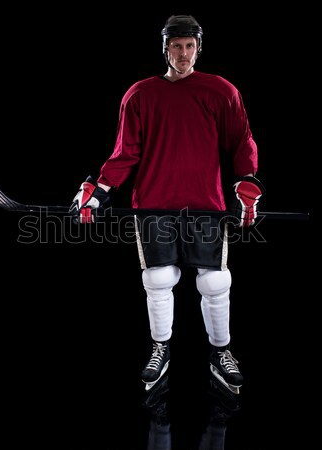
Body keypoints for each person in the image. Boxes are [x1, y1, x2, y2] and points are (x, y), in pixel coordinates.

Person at [70, 15, 264, 394]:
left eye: (190, 46)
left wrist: (247, 183)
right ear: (166, 48)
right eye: (177, 45)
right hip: (154, 204)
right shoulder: (140, 94)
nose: (184, 53)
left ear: (199, 48)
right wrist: (98, 190)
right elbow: (126, 153)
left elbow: (242, 141)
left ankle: (220, 354)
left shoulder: (220, 91)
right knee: (157, 280)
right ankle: (161, 349)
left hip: (205, 204)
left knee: (214, 281)